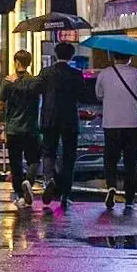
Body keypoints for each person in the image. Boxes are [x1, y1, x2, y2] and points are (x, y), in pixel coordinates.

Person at [95, 53, 137, 211]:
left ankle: (111, 186)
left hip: (111, 123)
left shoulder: (104, 73)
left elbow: (99, 95)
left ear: (113, 57)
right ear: (130, 57)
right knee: (131, 162)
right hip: (133, 123)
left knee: (110, 159)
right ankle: (130, 199)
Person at [38, 41, 89, 210]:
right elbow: (82, 96)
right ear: (72, 56)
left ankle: (49, 179)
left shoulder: (46, 73)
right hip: (69, 119)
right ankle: (65, 194)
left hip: (49, 117)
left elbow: (38, 91)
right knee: (69, 156)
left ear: (55, 54)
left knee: (48, 151)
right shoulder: (76, 74)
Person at [0, 49, 42, 209]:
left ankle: (20, 194)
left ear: (16, 62)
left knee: (16, 163)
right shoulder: (35, 82)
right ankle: (29, 181)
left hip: (13, 129)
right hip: (31, 129)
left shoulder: (8, 82)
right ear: (29, 64)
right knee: (34, 160)